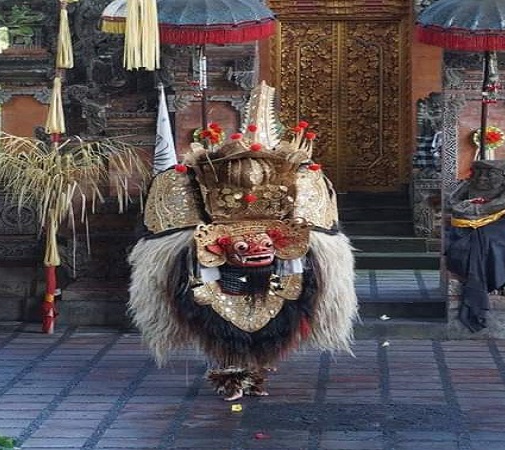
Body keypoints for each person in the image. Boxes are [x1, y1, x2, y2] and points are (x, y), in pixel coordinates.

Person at [127, 82, 359, 400]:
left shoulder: (305, 193)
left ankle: (255, 367)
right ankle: (233, 369)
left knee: (276, 312)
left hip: (274, 264)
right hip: (218, 259)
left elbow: (302, 255)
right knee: (215, 314)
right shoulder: (186, 197)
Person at [445, 159, 505, 331]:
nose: (482, 178)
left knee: (490, 239)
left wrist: (475, 209)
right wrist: (464, 206)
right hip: (468, 224)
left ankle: (493, 277)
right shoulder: (469, 185)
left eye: (489, 173)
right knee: (461, 240)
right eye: (479, 172)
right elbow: (452, 201)